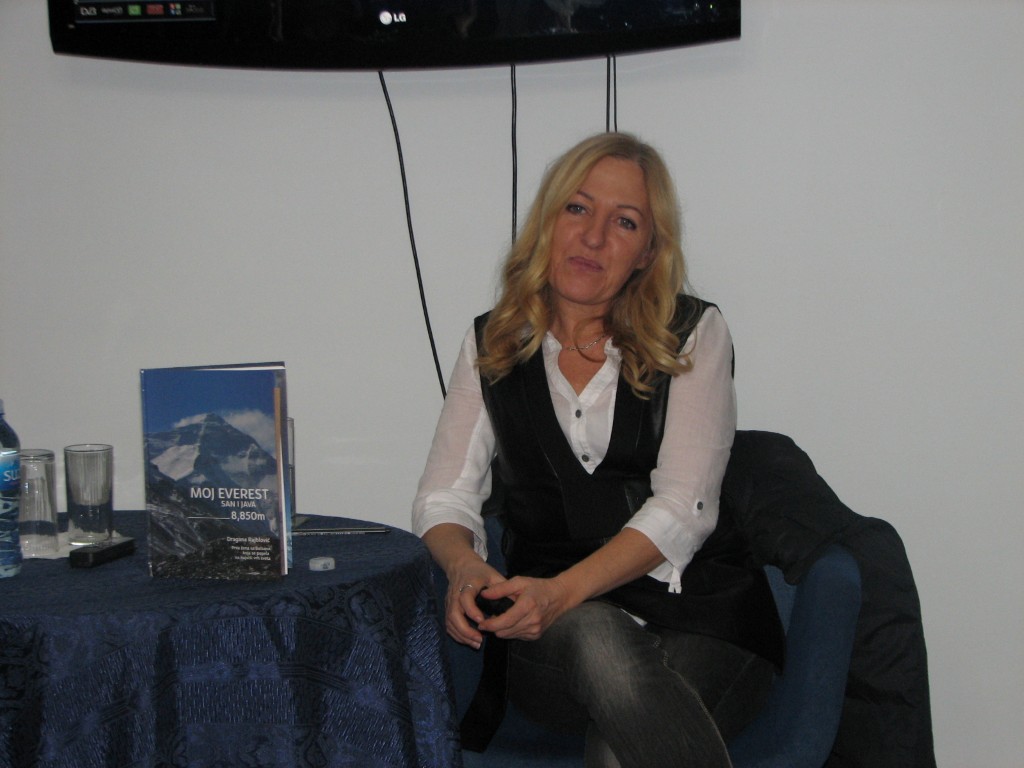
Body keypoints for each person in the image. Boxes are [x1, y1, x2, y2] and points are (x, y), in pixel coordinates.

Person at [412, 132, 783, 768]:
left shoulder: (693, 333)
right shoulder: (493, 343)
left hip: (703, 617)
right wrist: (464, 567)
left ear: (648, 253)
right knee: (596, 634)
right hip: (553, 638)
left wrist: (562, 590)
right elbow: (444, 497)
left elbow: (682, 510)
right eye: (578, 208)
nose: (593, 237)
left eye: (625, 222)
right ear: (548, 221)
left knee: (617, 753)